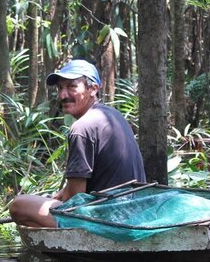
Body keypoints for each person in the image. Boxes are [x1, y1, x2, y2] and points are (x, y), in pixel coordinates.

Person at [9, 59, 146, 227]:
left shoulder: (82, 128)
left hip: (107, 217)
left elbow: (75, 199)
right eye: (60, 88)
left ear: (93, 89)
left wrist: (63, 197)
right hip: (132, 210)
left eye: (71, 87)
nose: (63, 95)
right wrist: (61, 194)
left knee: (19, 205)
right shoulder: (114, 115)